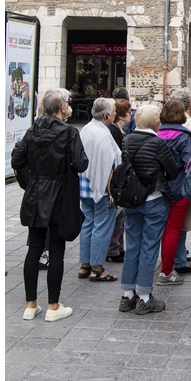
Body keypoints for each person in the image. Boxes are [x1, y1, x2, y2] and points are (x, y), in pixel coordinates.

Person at [12, 88, 89, 322]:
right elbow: (82, 163)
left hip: (36, 195)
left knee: (34, 249)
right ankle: (53, 305)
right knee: (56, 250)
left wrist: (32, 181)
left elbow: (17, 160)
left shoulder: (31, 131)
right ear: (61, 107)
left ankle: (30, 304)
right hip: (59, 195)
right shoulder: (68, 133)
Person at [117, 104, 179, 315]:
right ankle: (144, 295)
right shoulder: (158, 143)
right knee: (149, 246)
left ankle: (127, 294)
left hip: (132, 199)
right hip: (153, 198)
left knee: (132, 244)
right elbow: (172, 169)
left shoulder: (126, 139)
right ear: (155, 123)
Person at [77, 96, 122, 282]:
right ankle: (97, 267)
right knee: (101, 227)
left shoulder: (86, 129)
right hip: (101, 188)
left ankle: (85, 264)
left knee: (88, 223)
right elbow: (107, 165)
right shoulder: (103, 134)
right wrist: (111, 192)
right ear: (106, 115)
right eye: (113, 111)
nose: (115, 114)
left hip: (85, 185)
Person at [154, 99, 191, 286]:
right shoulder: (184, 136)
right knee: (173, 230)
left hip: (156, 189)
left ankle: (158, 265)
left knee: (157, 229)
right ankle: (166, 270)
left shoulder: (157, 134)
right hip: (178, 189)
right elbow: (189, 164)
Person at [168, 88, 191, 274]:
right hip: (183, 182)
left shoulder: (165, 122)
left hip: (169, 180)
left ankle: (176, 254)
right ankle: (179, 258)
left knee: (173, 223)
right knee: (179, 224)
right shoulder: (190, 125)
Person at [105, 97, 131, 263]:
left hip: (121, 177)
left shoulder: (120, 131)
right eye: (127, 112)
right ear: (121, 115)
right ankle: (113, 249)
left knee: (121, 217)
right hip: (116, 178)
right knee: (117, 216)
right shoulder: (114, 132)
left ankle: (118, 247)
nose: (130, 114)